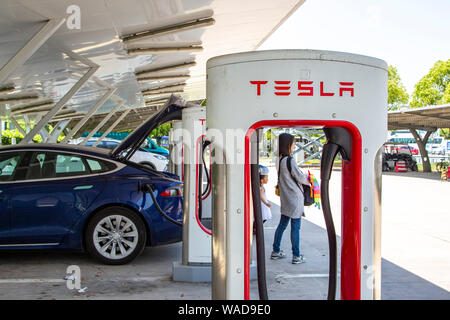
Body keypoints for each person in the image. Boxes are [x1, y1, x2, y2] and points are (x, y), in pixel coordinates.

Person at [271, 133, 311, 264]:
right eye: (293, 143)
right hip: (295, 198)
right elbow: (299, 177)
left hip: (286, 197)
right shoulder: (290, 160)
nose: (294, 145)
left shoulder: (280, 160)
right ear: (288, 145)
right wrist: (309, 181)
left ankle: (276, 251)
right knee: (295, 226)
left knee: (282, 225)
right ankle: (296, 255)